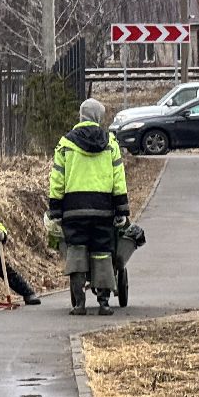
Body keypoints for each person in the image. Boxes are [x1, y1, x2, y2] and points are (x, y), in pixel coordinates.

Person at [48, 98, 128, 316]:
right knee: (102, 253)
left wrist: (55, 209)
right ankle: (104, 303)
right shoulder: (110, 143)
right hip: (103, 209)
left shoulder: (66, 144)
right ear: (98, 117)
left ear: (81, 116)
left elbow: (57, 179)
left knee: (76, 251)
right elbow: (118, 178)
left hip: (73, 210)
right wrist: (122, 209)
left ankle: (79, 304)